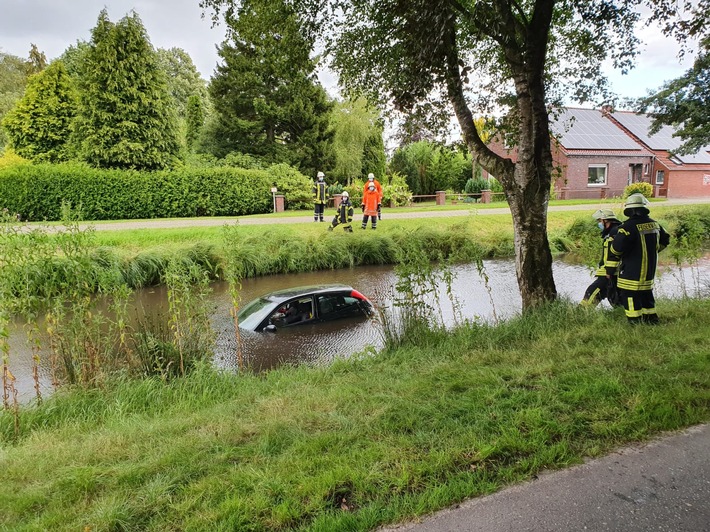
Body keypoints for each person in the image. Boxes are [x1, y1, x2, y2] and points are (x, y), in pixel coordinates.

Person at [609, 193, 670, 324]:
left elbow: (616, 249)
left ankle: (634, 322)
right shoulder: (655, 225)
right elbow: (666, 239)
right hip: (649, 272)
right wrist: (653, 251)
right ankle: (651, 321)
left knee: (629, 296)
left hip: (631, 271)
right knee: (646, 295)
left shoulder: (626, 228)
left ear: (629, 211)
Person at [581, 208, 622, 306]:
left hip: (609, 272)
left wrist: (609, 271)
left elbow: (614, 254)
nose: (599, 224)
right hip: (611, 272)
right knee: (614, 298)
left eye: (600, 221)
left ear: (606, 220)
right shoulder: (611, 232)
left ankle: (580, 314)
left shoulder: (614, 233)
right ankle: (619, 313)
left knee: (592, 292)